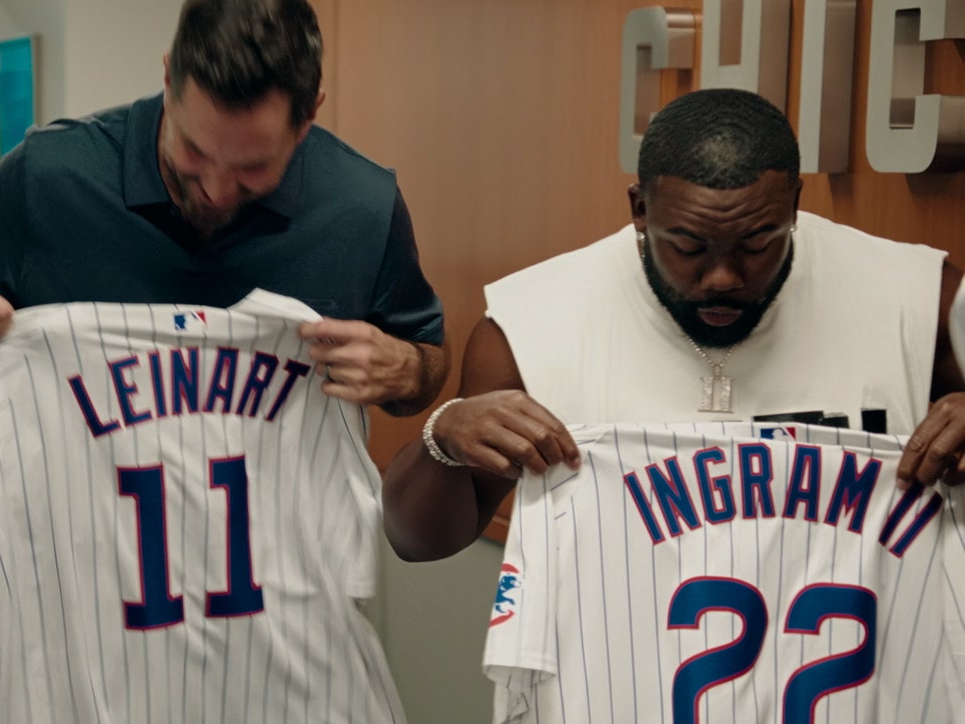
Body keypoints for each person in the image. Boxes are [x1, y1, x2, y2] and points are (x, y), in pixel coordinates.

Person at [0, 0, 446, 720]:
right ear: (169, 78)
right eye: (193, 154)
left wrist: (406, 370)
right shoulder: (51, 180)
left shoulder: (360, 208)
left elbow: (428, 364)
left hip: (283, 684)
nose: (214, 189)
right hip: (85, 676)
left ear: (309, 119)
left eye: (250, 170)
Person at [381, 88, 965, 721]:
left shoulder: (920, 301)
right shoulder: (533, 325)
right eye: (687, 246)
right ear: (639, 208)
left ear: (794, 205)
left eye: (758, 242)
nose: (723, 277)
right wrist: (444, 435)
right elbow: (417, 542)